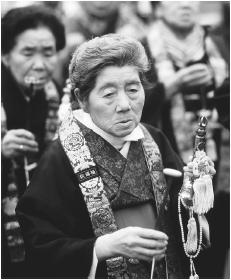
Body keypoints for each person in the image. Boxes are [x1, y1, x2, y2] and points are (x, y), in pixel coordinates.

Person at [16, 34, 214, 279]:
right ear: (82, 99)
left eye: (133, 89)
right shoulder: (59, 158)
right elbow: (39, 243)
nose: (124, 104)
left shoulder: (154, 140)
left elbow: (180, 212)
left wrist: (196, 186)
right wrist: (102, 247)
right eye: (108, 94)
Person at [1, 5, 65, 278]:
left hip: (44, 220)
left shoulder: (60, 97)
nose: (40, 64)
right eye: (28, 53)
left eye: (48, 53)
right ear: (5, 56)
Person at [146, 2, 227, 176]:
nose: (185, 4)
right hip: (165, 154)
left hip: (217, 150)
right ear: (158, 9)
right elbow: (134, 105)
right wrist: (172, 86)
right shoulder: (143, 47)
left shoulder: (217, 43)